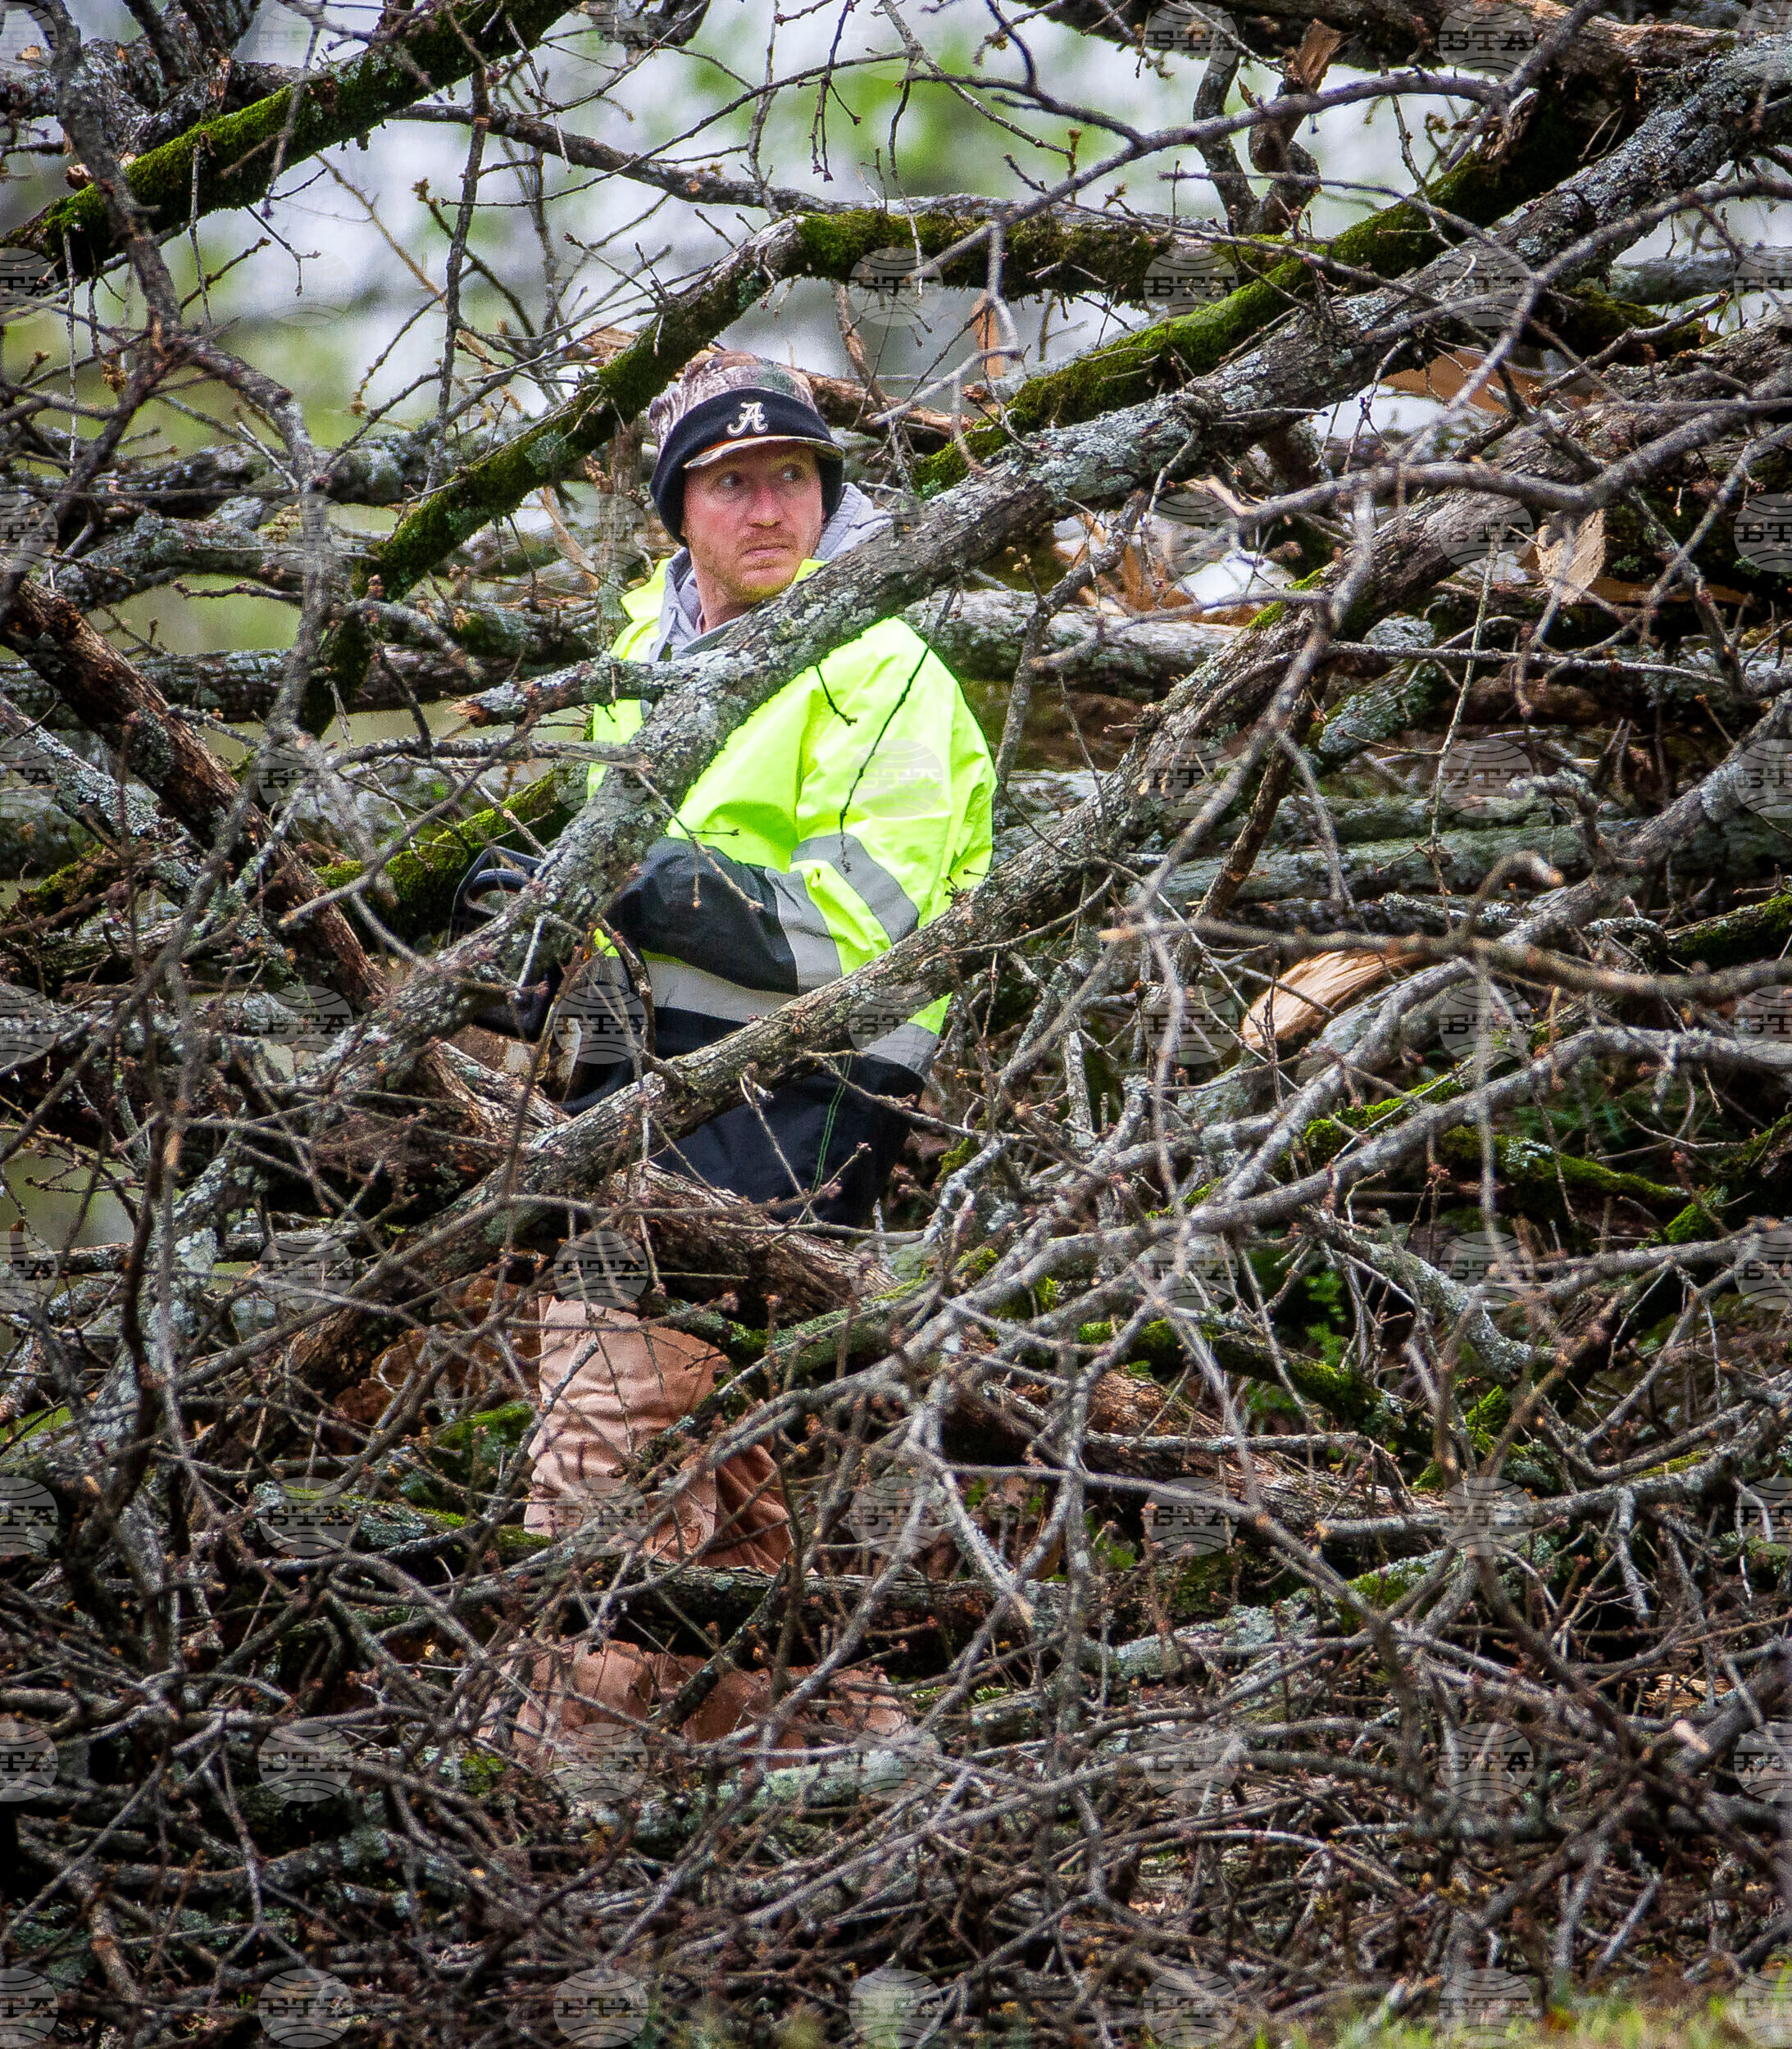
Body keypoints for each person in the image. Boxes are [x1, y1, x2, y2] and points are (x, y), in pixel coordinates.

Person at [466, 352, 996, 1764]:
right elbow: (616, 882)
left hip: (799, 1114)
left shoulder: (887, 670)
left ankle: (530, 1810)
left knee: (601, 1457)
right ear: (675, 511)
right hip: (640, 1093)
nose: (768, 509)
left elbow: (854, 937)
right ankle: (865, 1805)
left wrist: (630, 889)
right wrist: (548, 958)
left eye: (793, 478)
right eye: (730, 483)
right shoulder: (646, 649)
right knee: (736, 1510)